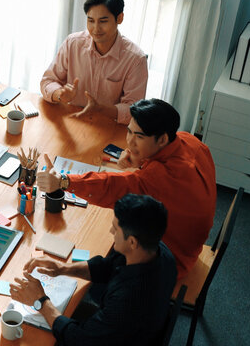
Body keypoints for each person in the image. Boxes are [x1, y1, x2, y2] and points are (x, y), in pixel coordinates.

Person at [36, 98, 216, 279]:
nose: (130, 142)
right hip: (191, 239)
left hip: (172, 258)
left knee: (107, 250)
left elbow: (111, 187)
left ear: (162, 139)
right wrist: (140, 159)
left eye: (139, 137)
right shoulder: (190, 140)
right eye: (129, 132)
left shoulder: (157, 177)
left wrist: (64, 182)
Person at [10, 194, 176, 346]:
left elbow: (79, 339)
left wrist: (41, 301)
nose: (111, 231)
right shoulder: (157, 250)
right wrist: (63, 268)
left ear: (132, 242)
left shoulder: (129, 300)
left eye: (116, 229)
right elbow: (107, 266)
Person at [40, 0, 147, 124]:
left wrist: (100, 109)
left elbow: (134, 110)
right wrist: (59, 95)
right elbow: (48, 81)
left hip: (107, 125)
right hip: (71, 119)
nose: (96, 29)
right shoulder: (73, 43)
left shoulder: (136, 59)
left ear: (119, 18)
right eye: (91, 21)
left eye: (103, 21)